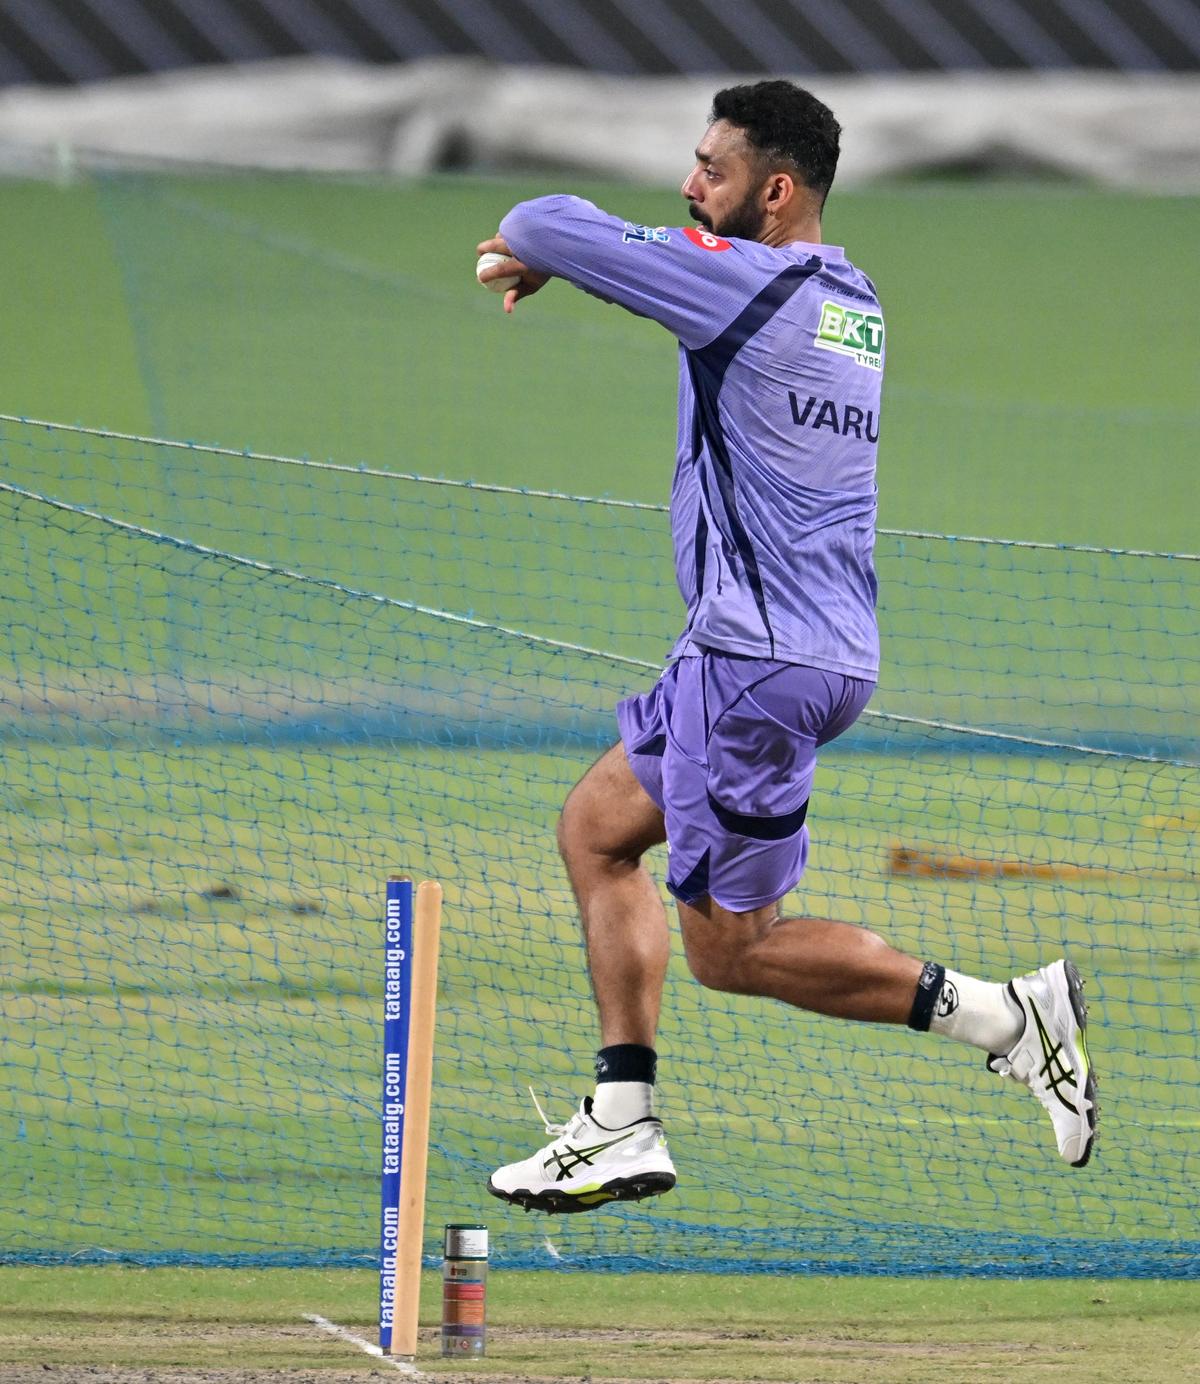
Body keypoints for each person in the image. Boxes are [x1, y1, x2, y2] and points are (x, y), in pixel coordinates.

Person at [476, 81, 1096, 1214]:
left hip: (752, 668)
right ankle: (620, 1114)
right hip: (788, 650)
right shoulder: (849, 296)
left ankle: (1010, 1015)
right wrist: (621, 257)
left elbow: (539, 217)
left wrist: (560, 253)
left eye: (709, 169)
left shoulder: (739, 282)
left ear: (774, 189)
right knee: (598, 828)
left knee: (734, 951)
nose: (687, 184)